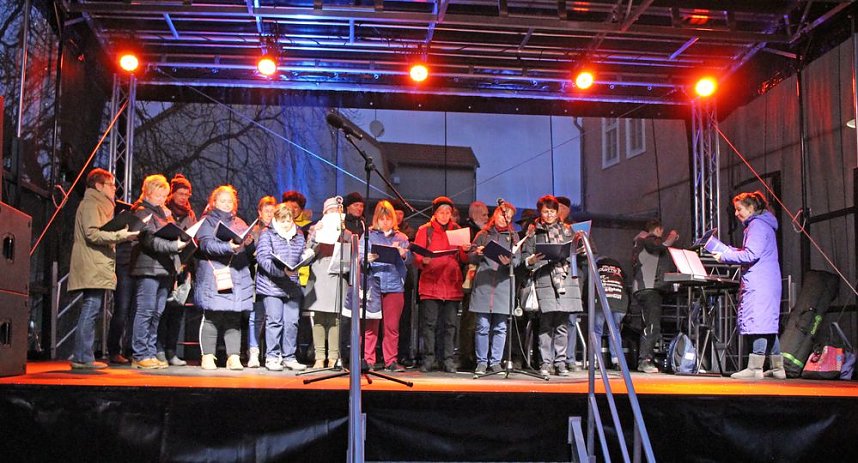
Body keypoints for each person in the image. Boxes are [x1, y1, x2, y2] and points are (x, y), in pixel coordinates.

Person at [68, 169, 139, 369]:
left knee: (92, 307)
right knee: (91, 307)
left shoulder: (99, 204)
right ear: (99, 186)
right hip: (92, 262)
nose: (114, 189)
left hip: (96, 262)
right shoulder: (91, 203)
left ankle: (84, 355)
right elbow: (92, 234)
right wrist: (122, 235)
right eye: (110, 185)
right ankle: (83, 358)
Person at [712, 191, 784, 380]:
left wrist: (725, 256)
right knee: (767, 323)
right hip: (768, 280)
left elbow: (750, 255)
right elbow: (751, 252)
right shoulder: (764, 224)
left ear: (751, 208)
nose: (736, 214)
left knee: (758, 322)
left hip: (759, 281)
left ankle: (755, 368)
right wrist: (730, 250)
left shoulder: (757, 225)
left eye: (739, 209)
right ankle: (778, 368)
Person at [130, 175, 188, 369]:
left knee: (157, 313)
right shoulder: (141, 211)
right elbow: (150, 240)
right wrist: (175, 246)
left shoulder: (164, 213)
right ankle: (139, 353)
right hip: (147, 267)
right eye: (159, 195)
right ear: (148, 192)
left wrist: (169, 217)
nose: (162, 199)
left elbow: (173, 231)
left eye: (164, 195)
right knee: (145, 311)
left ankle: (150, 351)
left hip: (164, 269)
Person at [521, 195, 583, 377]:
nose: (549, 215)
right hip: (545, 279)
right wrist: (530, 260)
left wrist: (579, 249)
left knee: (562, 325)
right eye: (545, 211)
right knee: (546, 325)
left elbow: (576, 254)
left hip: (565, 279)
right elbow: (525, 255)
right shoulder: (534, 232)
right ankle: (546, 363)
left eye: (552, 211)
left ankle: (561, 362)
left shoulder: (568, 231)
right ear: (540, 212)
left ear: (558, 212)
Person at [194, 185, 255, 370]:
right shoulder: (207, 221)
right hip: (214, 274)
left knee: (233, 317)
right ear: (214, 202)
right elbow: (205, 246)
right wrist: (228, 246)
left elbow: (247, 250)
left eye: (230, 201)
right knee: (212, 315)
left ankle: (233, 356)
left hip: (236, 274)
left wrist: (250, 243)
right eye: (222, 200)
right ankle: (208, 356)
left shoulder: (240, 222)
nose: (226, 204)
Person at [255, 203, 314, 371]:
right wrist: (281, 272)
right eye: (283, 221)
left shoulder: (299, 235)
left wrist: (307, 257)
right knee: (275, 321)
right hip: (271, 286)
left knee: (292, 322)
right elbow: (263, 259)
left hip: (291, 285)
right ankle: (272, 357)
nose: (287, 224)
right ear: (276, 220)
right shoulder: (268, 234)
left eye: (289, 220)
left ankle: (289, 356)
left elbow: (300, 255)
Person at [413, 196, 469, 372]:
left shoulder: (457, 230)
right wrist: (424, 260)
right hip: (431, 284)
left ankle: (447, 359)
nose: (445, 215)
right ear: (435, 213)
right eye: (441, 212)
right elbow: (417, 254)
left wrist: (466, 251)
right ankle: (429, 359)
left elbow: (463, 258)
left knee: (450, 325)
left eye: (448, 212)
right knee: (430, 324)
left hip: (452, 284)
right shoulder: (425, 230)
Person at [469, 202, 520, 375]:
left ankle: (496, 362)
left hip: (503, 285)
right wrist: (477, 254)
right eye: (502, 214)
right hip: (484, 283)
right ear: (495, 214)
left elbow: (518, 260)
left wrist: (510, 262)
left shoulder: (513, 236)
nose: (504, 218)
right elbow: (469, 257)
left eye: (509, 217)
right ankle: (482, 362)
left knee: (500, 326)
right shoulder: (483, 234)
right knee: (482, 326)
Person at [364, 200, 412, 372]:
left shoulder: (401, 238)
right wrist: (366, 259)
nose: (385, 223)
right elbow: (360, 258)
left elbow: (410, 261)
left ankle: (390, 361)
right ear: (376, 219)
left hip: (394, 285)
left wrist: (403, 254)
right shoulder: (368, 235)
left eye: (388, 219)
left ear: (394, 220)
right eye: (381, 219)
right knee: (371, 326)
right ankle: (368, 360)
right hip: (373, 284)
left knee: (391, 327)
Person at [305, 197, 351, 369]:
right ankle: (319, 356)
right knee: (318, 318)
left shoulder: (347, 234)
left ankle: (333, 356)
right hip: (319, 276)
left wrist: (343, 240)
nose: (334, 214)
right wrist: (316, 235)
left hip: (337, 277)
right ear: (325, 213)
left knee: (335, 319)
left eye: (337, 211)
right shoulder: (315, 230)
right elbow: (307, 253)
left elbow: (349, 259)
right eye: (330, 211)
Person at [156, 173, 196, 367]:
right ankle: (159, 349)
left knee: (177, 312)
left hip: (183, 268)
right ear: (172, 193)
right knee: (160, 311)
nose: (184, 198)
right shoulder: (164, 211)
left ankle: (172, 351)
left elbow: (192, 241)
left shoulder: (190, 214)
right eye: (181, 193)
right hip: (165, 265)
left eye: (187, 194)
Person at [631, 219, 678, 373]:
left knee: (650, 325)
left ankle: (645, 359)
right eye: (661, 233)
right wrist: (671, 237)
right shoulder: (647, 240)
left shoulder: (642, 241)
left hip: (648, 288)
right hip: (648, 288)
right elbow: (660, 246)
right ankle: (645, 360)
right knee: (652, 326)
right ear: (658, 230)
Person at [244, 196, 276, 368]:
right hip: (257, 278)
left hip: (275, 280)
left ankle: (273, 354)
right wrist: (252, 250)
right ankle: (253, 351)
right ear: (260, 212)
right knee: (256, 317)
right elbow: (247, 256)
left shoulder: (279, 231)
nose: (270, 214)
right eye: (266, 211)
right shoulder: (254, 231)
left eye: (272, 211)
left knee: (273, 318)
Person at [458, 200, 489, 371]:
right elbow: (463, 256)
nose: (487, 217)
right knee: (469, 318)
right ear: (476, 214)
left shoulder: (486, 231)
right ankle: (467, 355)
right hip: (470, 277)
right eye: (484, 214)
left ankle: (479, 356)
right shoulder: (467, 231)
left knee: (481, 320)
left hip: (485, 278)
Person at [591, 256, 629, 370]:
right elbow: (626, 287)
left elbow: (590, 286)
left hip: (600, 303)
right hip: (619, 302)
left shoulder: (595, 267)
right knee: (615, 331)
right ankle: (617, 360)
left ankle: (595, 360)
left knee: (596, 331)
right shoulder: (619, 271)